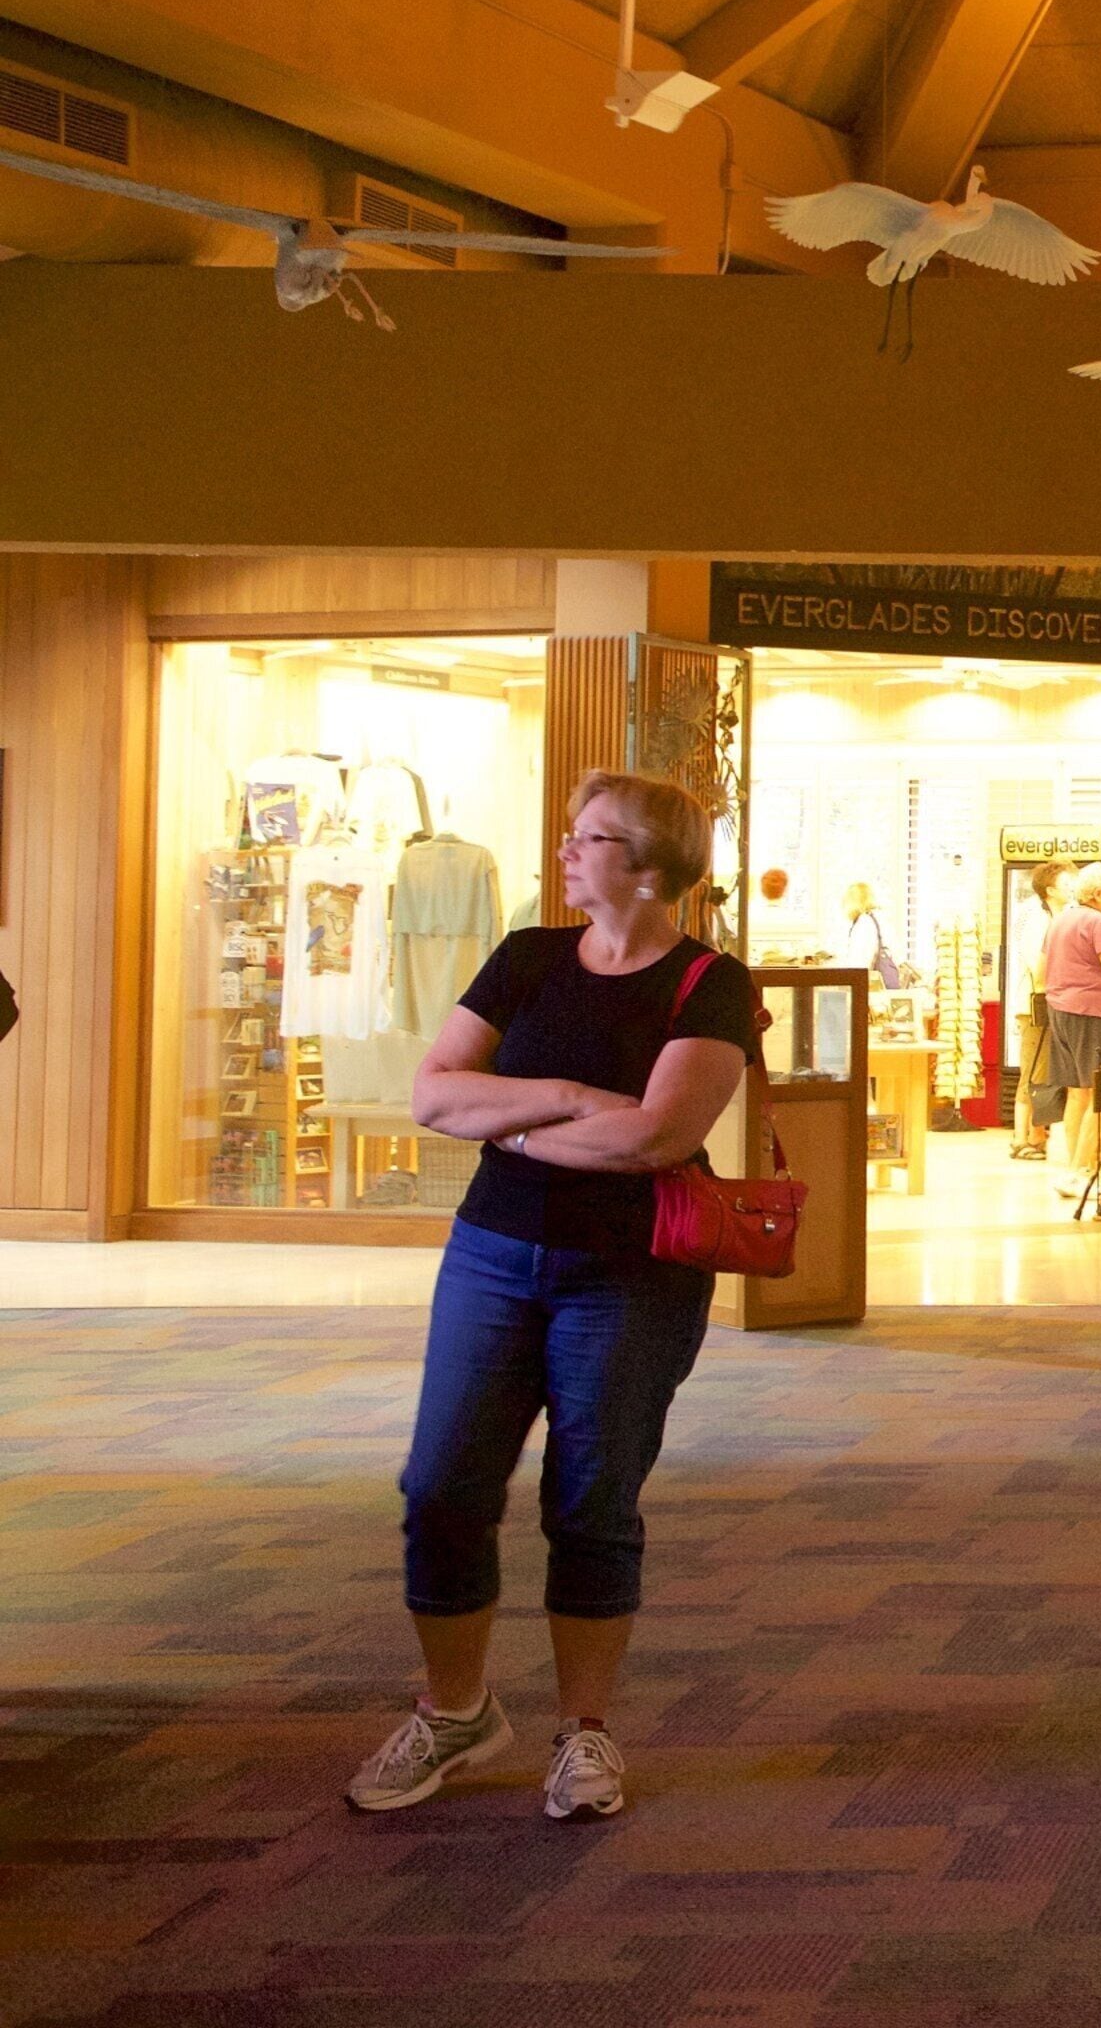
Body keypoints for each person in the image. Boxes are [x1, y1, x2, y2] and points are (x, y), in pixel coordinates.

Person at [357, 769, 755, 1824]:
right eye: (572, 835)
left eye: (593, 838)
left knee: (589, 1499)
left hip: (630, 1274)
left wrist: (511, 1126)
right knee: (441, 1486)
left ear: (651, 868)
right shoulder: (528, 957)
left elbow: (658, 1136)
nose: (567, 851)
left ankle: (584, 1730)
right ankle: (454, 1712)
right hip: (492, 1255)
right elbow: (434, 1094)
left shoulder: (710, 983)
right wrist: (572, 1100)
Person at [1036, 865, 1101, 1198]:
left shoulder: (1061, 920)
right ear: (1098, 893)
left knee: (1078, 1092)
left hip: (1060, 1011)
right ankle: (1080, 1169)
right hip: (1093, 1013)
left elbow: (1042, 971)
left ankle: (1073, 1168)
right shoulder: (1100, 923)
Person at [1003, 861, 1063, 1158]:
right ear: (1050, 889)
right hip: (1035, 1004)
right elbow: (1038, 968)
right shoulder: (1036, 918)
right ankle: (1021, 1138)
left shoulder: (1055, 916)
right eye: (1067, 882)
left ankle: (1037, 1133)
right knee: (1033, 1071)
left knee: (1044, 1071)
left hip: (1050, 1001)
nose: (1074, 888)